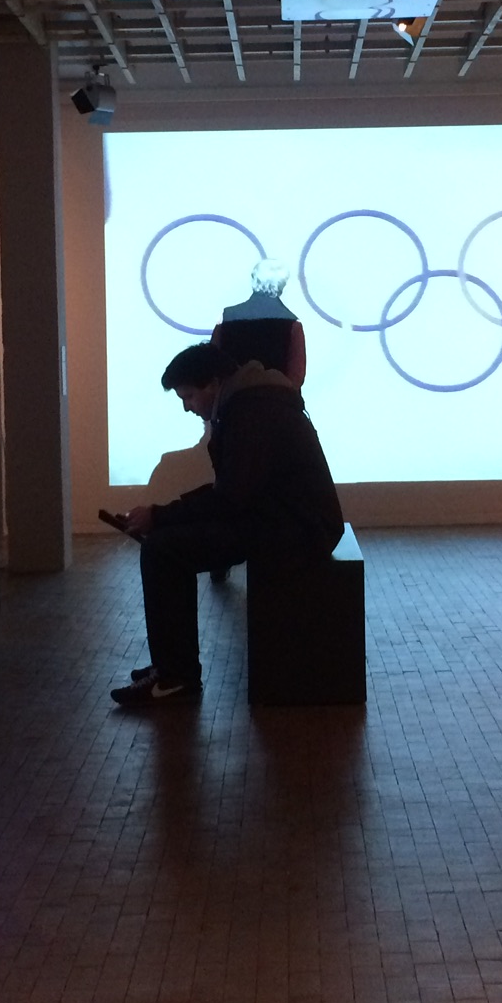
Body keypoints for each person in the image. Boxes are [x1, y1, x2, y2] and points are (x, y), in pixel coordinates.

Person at [110, 342, 343, 707]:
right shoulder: (251, 402)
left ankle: (176, 675)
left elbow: (231, 497)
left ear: (214, 384)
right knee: (164, 545)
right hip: (287, 519)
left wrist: (160, 515)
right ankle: (172, 666)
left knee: (162, 550)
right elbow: (234, 490)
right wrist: (163, 514)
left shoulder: (251, 411)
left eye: (188, 396)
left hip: (296, 529)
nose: (187, 407)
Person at [212, 259, 307, 386]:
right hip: (276, 396)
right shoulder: (293, 324)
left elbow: (211, 362)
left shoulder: (226, 316)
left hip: (232, 396)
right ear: (283, 283)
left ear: (254, 279)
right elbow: (296, 376)